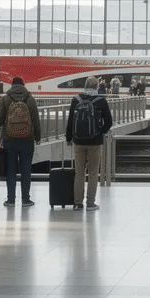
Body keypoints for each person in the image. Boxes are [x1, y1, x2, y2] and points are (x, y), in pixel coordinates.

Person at [0, 76, 40, 207]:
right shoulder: (30, 99)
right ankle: (26, 199)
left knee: (10, 169)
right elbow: (36, 119)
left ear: (12, 85)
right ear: (24, 85)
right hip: (27, 140)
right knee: (26, 169)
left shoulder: (6, 99)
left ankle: (10, 199)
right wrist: (38, 136)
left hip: (9, 140)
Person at [65, 76, 113, 211]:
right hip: (95, 142)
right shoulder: (101, 101)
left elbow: (70, 121)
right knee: (92, 173)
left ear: (85, 86)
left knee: (79, 173)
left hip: (78, 141)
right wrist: (99, 132)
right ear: (97, 87)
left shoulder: (76, 100)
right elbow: (109, 122)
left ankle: (77, 203)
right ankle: (90, 203)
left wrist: (69, 138)